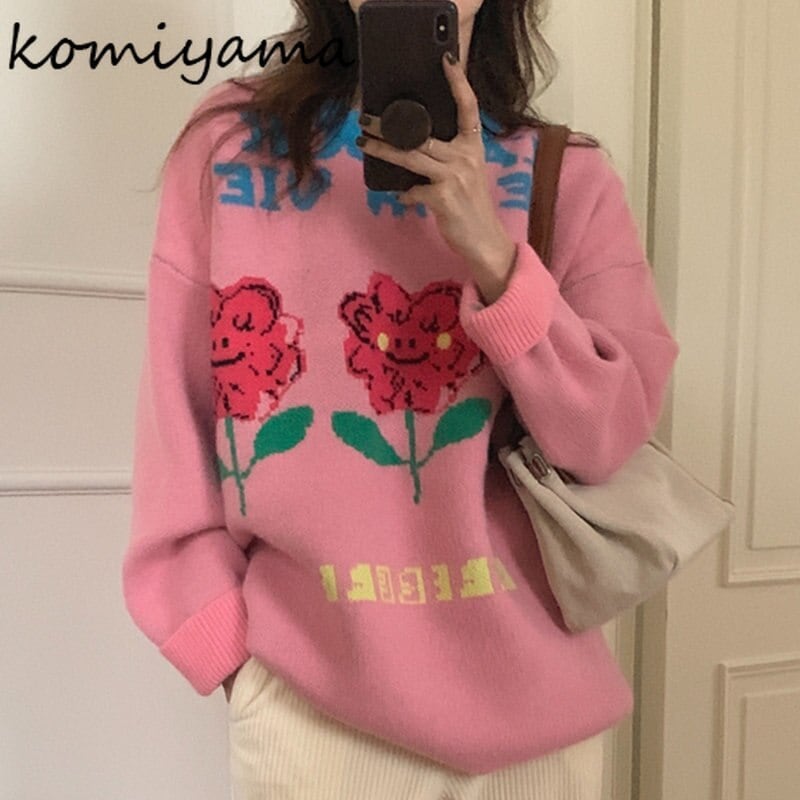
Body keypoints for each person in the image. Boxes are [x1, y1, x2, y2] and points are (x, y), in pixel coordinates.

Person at [121, 0, 680, 797]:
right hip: (311, 719)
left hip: (538, 732)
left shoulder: (568, 176)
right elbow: (176, 421)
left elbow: (606, 438)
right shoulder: (232, 150)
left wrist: (495, 259)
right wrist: (227, 651)